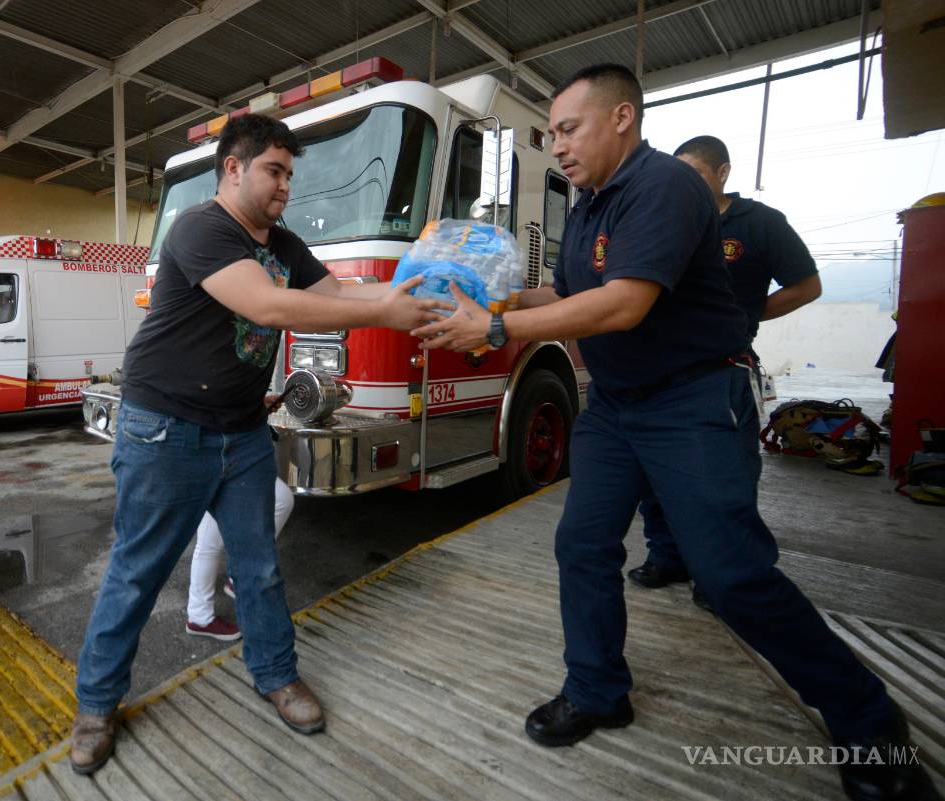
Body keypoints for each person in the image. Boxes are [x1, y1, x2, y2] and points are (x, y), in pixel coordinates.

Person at [413, 64, 934, 801]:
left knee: (732, 577)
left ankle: (872, 729)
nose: (557, 146)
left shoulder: (664, 187)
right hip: (618, 407)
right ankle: (597, 689)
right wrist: (481, 292)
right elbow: (569, 292)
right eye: (553, 133)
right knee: (583, 544)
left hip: (691, 401)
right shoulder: (591, 205)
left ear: (622, 117)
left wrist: (495, 325)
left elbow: (624, 304)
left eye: (569, 128)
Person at [70, 113, 441, 775]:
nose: (285, 186)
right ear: (233, 169)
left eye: (290, 174)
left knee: (261, 565)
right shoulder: (201, 229)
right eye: (274, 170)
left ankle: (276, 675)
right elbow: (270, 307)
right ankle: (96, 706)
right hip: (165, 430)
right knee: (136, 572)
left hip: (241, 428)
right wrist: (381, 311)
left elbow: (338, 293)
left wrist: (422, 293)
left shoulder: (285, 243)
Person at [627, 134, 822, 610]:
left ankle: (724, 577)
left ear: (722, 173)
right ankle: (668, 556)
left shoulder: (759, 223)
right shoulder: (666, 221)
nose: (682, 184)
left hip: (721, 370)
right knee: (655, 479)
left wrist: (747, 316)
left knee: (723, 483)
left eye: (693, 174)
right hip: (657, 371)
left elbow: (806, 285)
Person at [185, 475, 294, 641]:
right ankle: (202, 614)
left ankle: (202, 612)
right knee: (282, 499)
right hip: (219, 459)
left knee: (210, 540)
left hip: (221, 458)